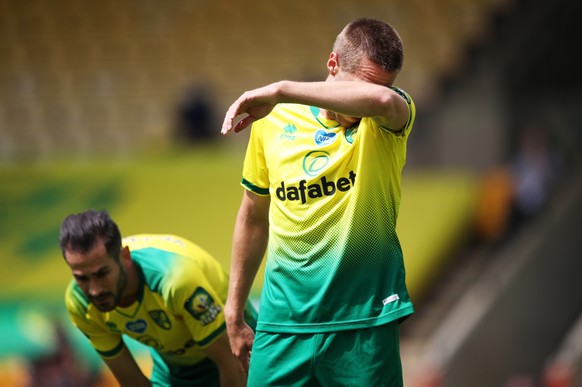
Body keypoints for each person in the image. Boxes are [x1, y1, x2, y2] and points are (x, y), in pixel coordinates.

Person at [221, 17, 416, 386]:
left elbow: (381, 99)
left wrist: (280, 90)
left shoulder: (387, 120)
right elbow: (252, 216)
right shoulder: (272, 121)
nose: (361, 110)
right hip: (281, 325)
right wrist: (235, 311)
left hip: (363, 323)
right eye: (359, 84)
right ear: (333, 64)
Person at [59, 209, 256, 387]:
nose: (94, 290)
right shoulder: (79, 303)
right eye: (81, 278)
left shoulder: (176, 282)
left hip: (241, 350)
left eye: (102, 274)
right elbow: (132, 381)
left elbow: (232, 364)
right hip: (176, 367)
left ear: (125, 258)